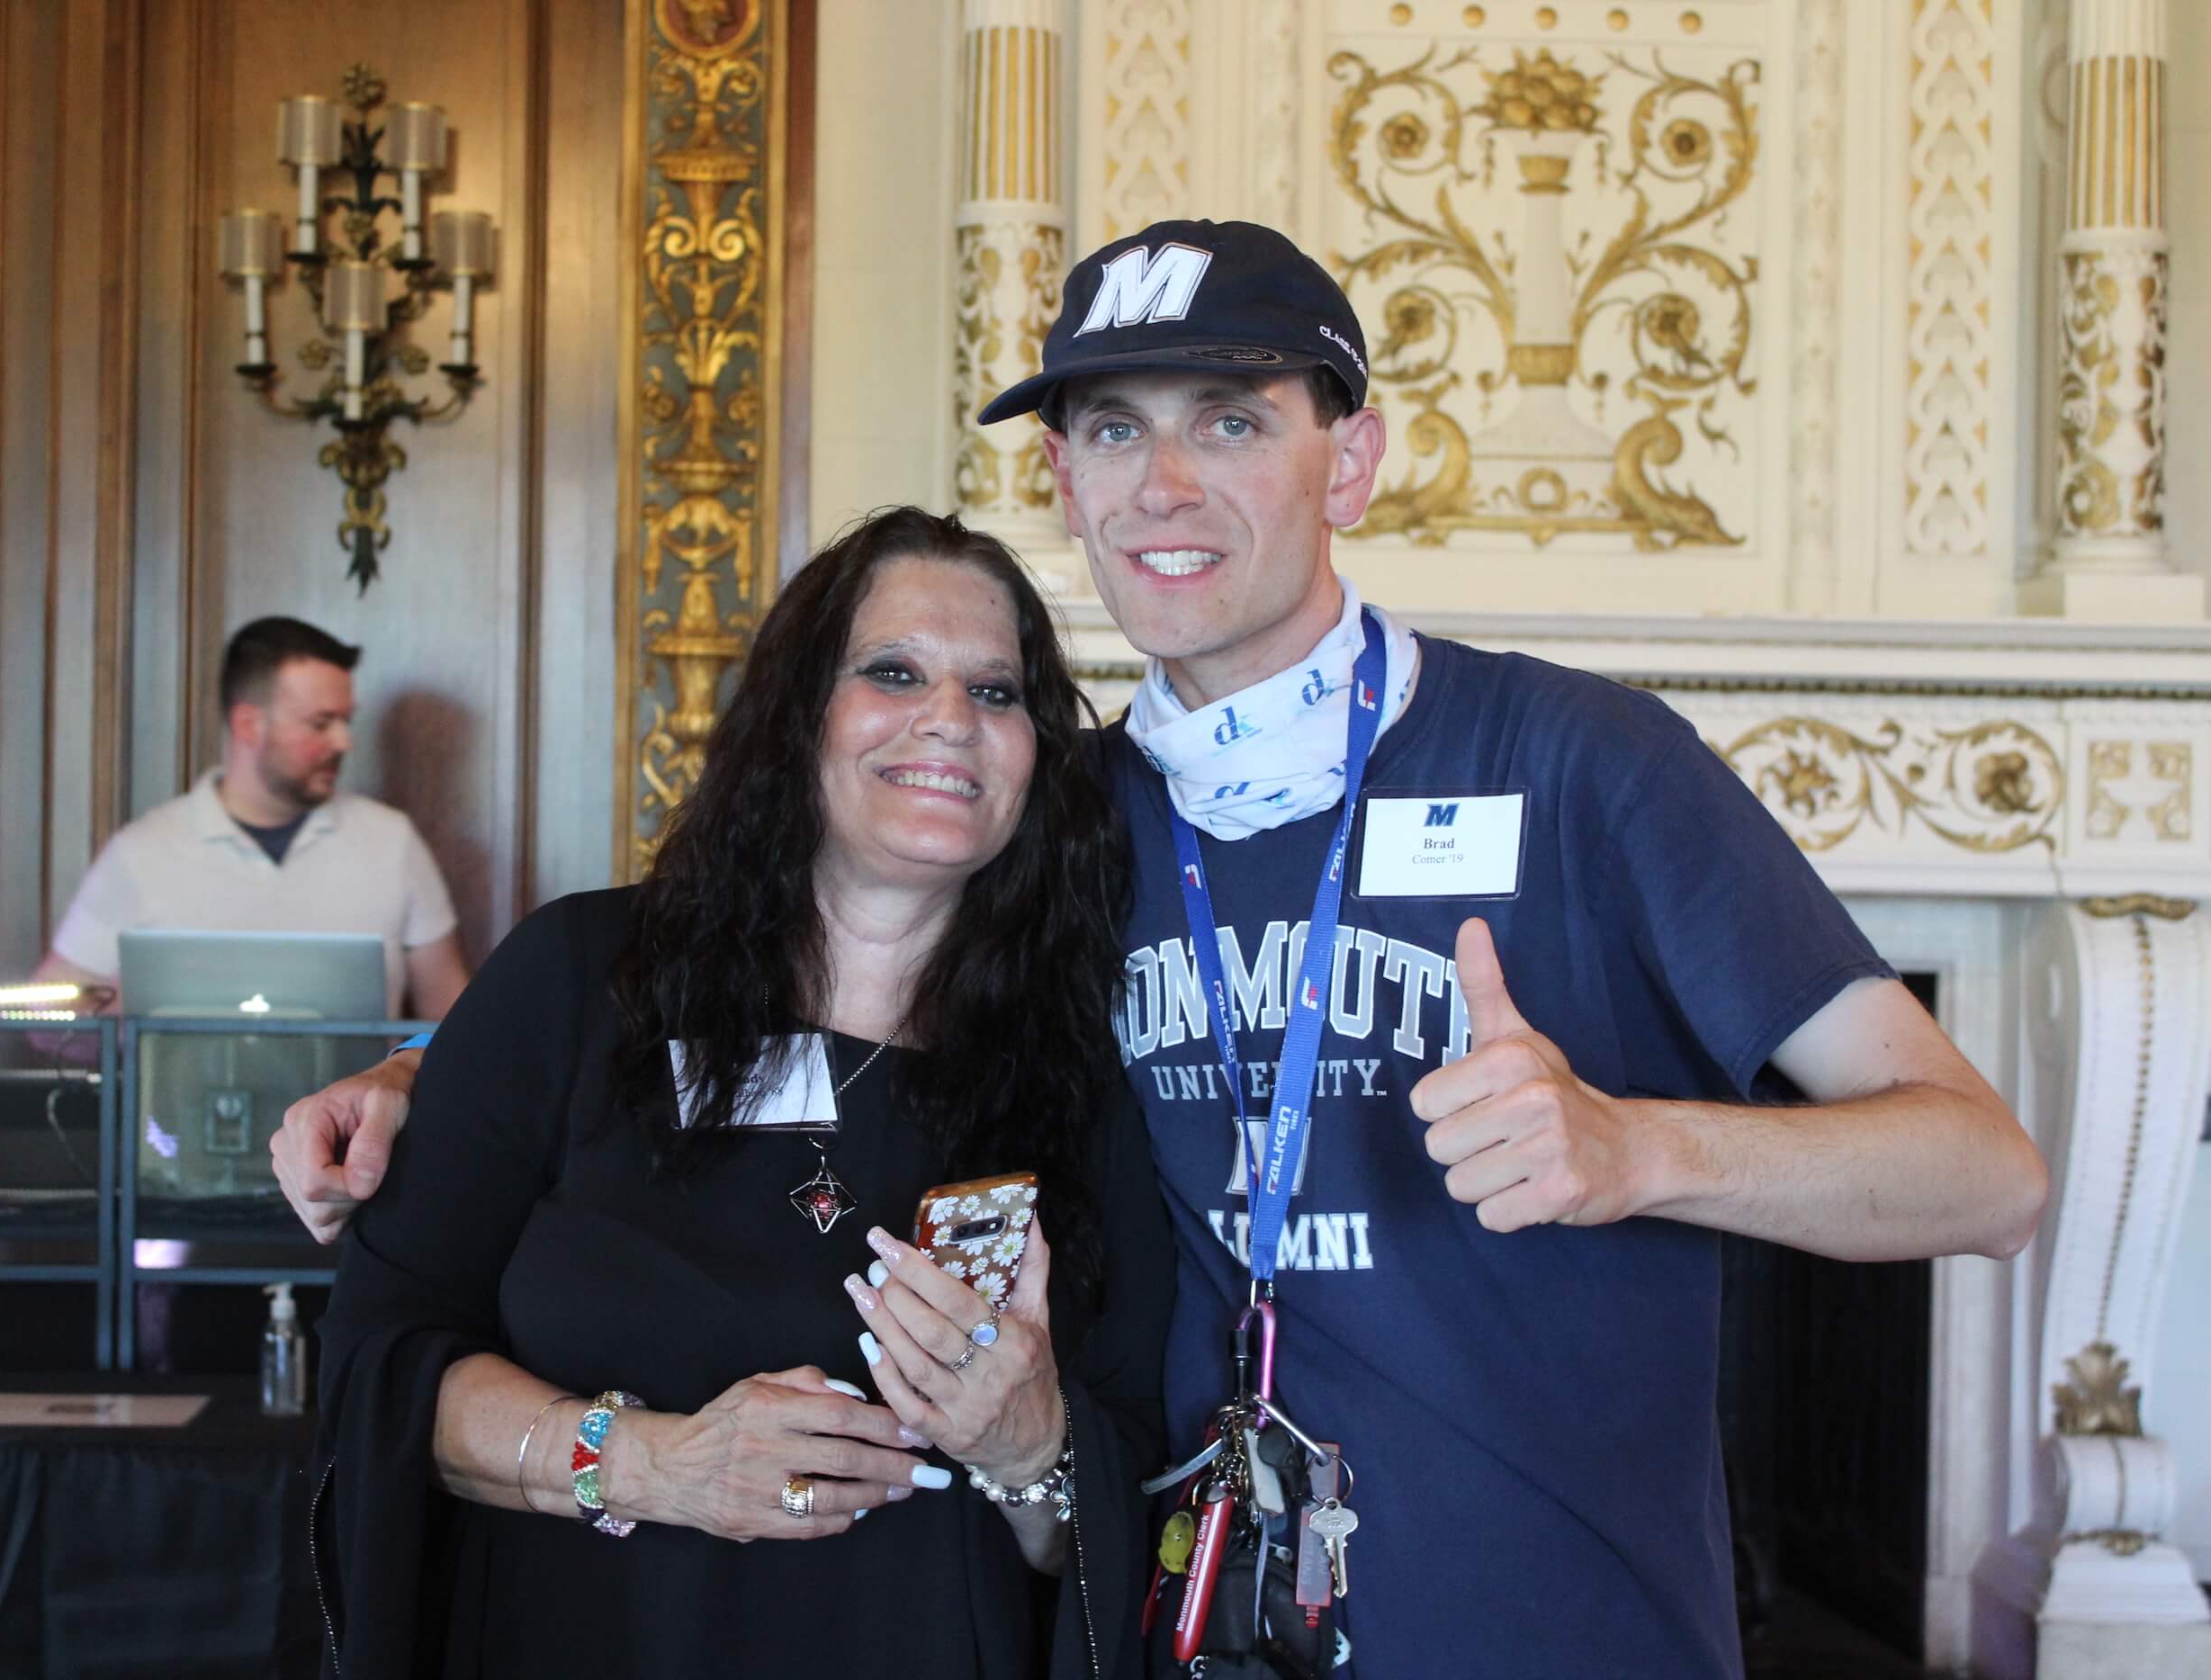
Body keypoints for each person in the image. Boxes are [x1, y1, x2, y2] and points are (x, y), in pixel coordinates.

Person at [279, 222, 2049, 1676]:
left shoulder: (1583, 764)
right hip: (1186, 1631)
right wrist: (418, 1074)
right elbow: (778, 983)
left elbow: (1979, 1170)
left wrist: (1634, 1146)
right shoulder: (1059, 821)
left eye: (1228, 416)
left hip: (1553, 1632)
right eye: (1113, 428)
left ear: (1344, 455)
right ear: (1058, 471)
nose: (1163, 483)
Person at [312, 508, 1172, 1677]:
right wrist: (649, 1461)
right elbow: (381, 1364)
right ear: (796, 712)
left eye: (999, 690)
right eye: (894, 671)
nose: (951, 721)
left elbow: (1119, 1529)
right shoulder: (578, 981)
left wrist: (1035, 1445)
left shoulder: (1078, 1077)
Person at [32, 615, 470, 1020]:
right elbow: (46, 1014)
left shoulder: (393, 843)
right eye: (321, 723)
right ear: (248, 725)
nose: (343, 742)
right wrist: (134, 1010)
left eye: (345, 721)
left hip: (356, 1106)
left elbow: (452, 1019)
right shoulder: (141, 852)